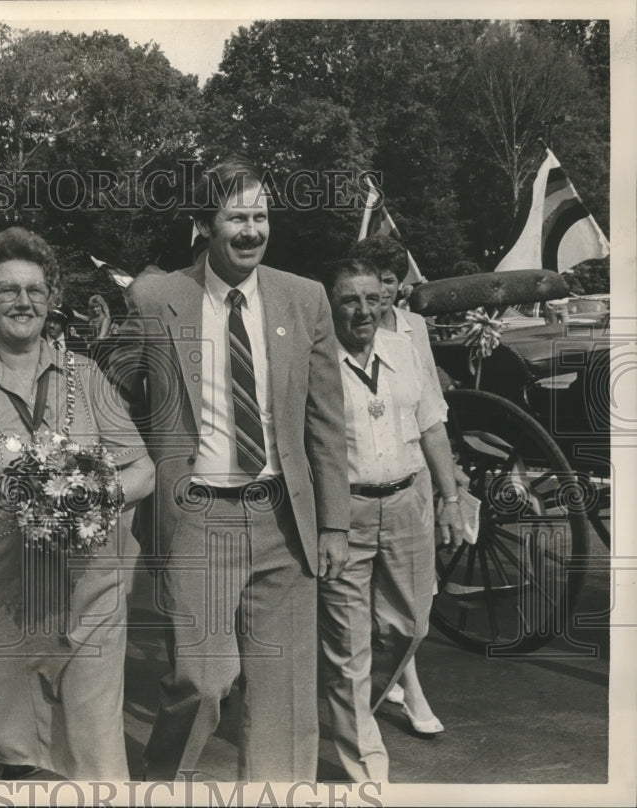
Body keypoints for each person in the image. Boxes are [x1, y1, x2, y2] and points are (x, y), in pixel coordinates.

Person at [103, 158, 350, 782]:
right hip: (196, 522)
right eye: (236, 217)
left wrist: (336, 526)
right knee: (205, 682)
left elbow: (324, 422)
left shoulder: (305, 297)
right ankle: (159, 785)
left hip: (283, 521)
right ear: (202, 226)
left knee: (285, 698)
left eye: (260, 216)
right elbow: (115, 399)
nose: (251, 231)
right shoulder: (156, 299)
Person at [0, 226, 154, 780]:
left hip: (87, 596)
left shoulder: (87, 375)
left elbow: (144, 469)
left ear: (53, 299)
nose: (23, 302)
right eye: (7, 289)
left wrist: (95, 494)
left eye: (36, 290)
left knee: (93, 756)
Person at [318, 258, 464, 782]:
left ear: (386, 301)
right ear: (330, 304)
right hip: (344, 514)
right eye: (348, 301)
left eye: (372, 299)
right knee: (348, 647)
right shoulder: (316, 363)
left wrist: (449, 498)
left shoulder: (405, 352)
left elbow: (433, 430)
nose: (362, 311)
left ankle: (347, 701)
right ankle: (366, 766)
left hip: (407, 505)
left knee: (409, 627)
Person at [352, 235, 465, 734]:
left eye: (389, 282)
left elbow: (429, 411)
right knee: (368, 601)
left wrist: (450, 489)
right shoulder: (342, 327)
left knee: (411, 604)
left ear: (399, 287)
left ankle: (386, 682)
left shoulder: (413, 328)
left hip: (411, 474)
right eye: (372, 281)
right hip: (361, 484)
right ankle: (402, 692)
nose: (379, 293)